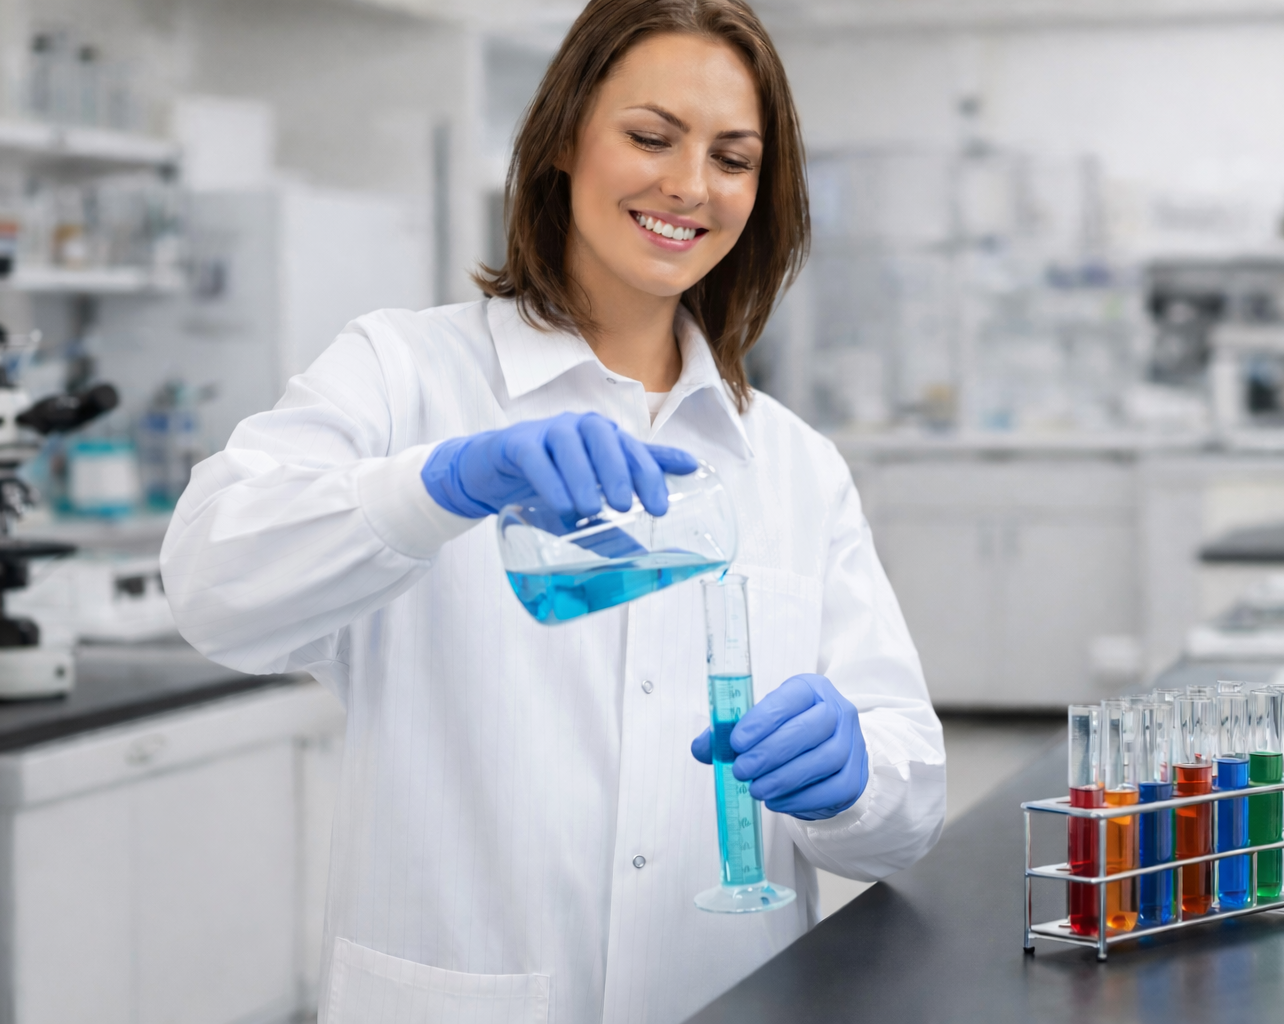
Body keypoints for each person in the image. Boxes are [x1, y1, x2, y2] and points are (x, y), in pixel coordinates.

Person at [160, 1, 945, 1021]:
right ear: (565, 138)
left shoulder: (794, 463)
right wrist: (439, 484)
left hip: (725, 995)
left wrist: (856, 780)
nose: (689, 185)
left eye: (732, 158)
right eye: (651, 137)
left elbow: (909, 803)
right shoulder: (404, 374)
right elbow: (212, 586)